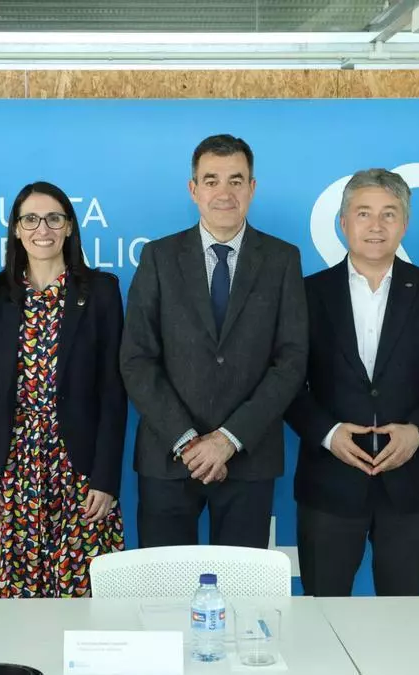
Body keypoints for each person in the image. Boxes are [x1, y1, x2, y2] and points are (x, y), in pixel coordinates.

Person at [284, 168, 419, 596]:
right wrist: (328, 433)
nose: (376, 225)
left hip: (409, 484)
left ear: (404, 224)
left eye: (389, 214)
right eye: (363, 213)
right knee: (324, 614)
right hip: (329, 483)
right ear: (343, 222)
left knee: (403, 617)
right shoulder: (306, 293)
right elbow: (286, 381)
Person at [120, 134, 308, 549]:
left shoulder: (282, 260)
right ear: (194, 189)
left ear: (252, 188)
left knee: (243, 585)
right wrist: (188, 441)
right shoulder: (158, 257)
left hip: (248, 456)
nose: (224, 192)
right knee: (165, 584)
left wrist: (228, 439)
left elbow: (291, 361)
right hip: (169, 456)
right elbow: (137, 359)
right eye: (211, 180)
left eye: (236, 180)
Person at [0, 181, 127, 598]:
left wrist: (106, 479)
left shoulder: (101, 292)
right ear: (16, 229)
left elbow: (113, 392)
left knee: (83, 595)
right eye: (31, 219)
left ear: (70, 227)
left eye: (54, 218)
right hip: (13, 469)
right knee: (15, 599)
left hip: (79, 469)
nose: (43, 229)